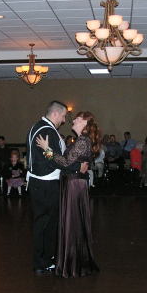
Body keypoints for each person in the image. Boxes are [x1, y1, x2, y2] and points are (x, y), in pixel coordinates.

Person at [26, 101, 88, 276]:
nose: (64, 120)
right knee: (46, 224)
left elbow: (53, 155)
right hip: (45, 184)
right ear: (55, 114)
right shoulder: (47, 130)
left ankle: (43, 261)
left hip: (40, 184)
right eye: (63, 116)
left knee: (43, 223)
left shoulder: (38, 127)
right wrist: (76, 168)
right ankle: (43, 262)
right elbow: (52, 158)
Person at [36, 111, 100, 278]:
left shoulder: (82, 141)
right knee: (73, 222)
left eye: (78, 118)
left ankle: (73, 263)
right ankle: (73, 260)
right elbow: (72, 163)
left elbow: (65, 162)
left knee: (73, 222)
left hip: (74, 185)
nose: (73, 120)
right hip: (73, 183)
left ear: (85, 123)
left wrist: (47, 149)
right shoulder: (80, 140)